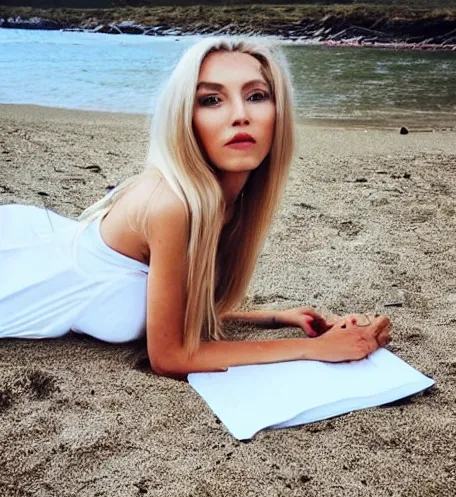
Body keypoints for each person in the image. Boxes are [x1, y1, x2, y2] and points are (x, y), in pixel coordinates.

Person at [0, 37, 391, 376]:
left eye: (256, 95)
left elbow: (176, 312)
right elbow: (170, 356)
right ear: (185, 116)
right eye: (211, 100)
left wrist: (277, 318)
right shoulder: (171, 205)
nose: (240, 115)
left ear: (278, 111)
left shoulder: (226, 205)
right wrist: (312, 349)